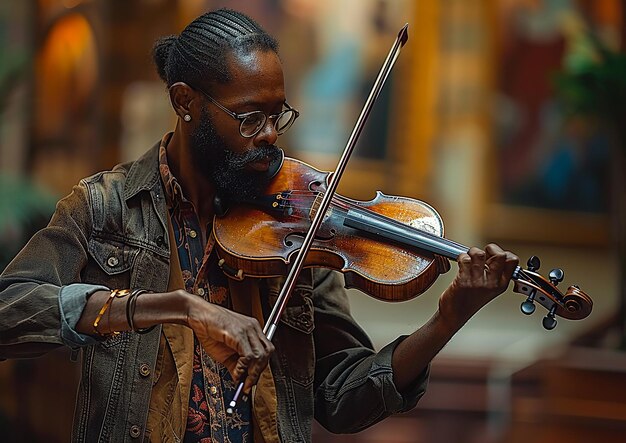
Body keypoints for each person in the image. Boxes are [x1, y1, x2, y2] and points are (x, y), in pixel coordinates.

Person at [0, 8, 519, 443]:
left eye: (279, 115)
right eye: (250, 118)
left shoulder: (298, 227)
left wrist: (446, 321)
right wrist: (175, 307)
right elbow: (9, 311)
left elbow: (341, 400)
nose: (270, 136)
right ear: (185, 103)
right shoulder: (105, 207)